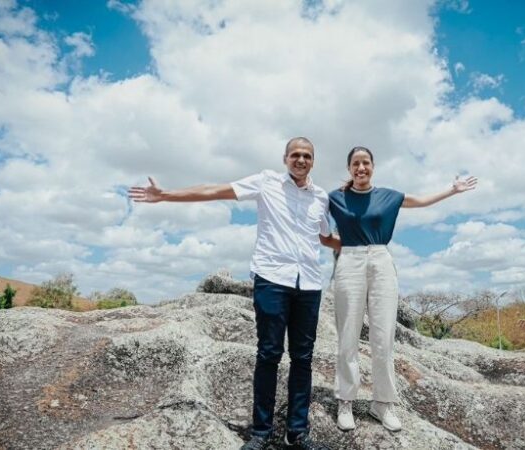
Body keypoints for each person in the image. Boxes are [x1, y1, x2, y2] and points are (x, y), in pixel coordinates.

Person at [128, 137, 338, 450]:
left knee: (303, 359)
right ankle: (261, 432)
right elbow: (216, 190)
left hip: (308, 284)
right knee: (268, 353)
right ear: (285, 158)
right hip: (272, 278)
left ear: (313, 161)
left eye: (307, 155)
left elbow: (326, 237)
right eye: (295, 154)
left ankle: (297, 433)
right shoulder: (266, 182)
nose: (301, 159)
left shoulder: (320, 197)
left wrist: (365, 242)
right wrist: (167, 195)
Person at [328, 146, 477, 432]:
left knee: (383, 338)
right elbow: (314, 219)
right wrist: (341, 242)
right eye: (356, 164)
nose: (361, 168)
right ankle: (345, 400)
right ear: (349, 168)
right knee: (348, 336)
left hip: (382, 260)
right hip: (350, 262)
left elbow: (420, 201)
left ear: (373, 166)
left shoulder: (389, 195)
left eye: (366, 163)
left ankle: (382, 404)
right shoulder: (336, 197)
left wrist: (453, 190)